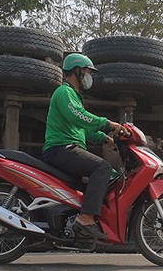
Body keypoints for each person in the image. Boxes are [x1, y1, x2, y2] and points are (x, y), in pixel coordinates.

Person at [42, 53, 123, 239]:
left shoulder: (74, 96)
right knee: (103, 168)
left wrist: (104, 138)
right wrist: (107, 124)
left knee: (112, 176)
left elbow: (81, 129)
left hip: (70, 148)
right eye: (87, 71)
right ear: (77, 71)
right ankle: (86, 218)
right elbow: (78, 116)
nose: (89, 76)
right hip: (60, 149)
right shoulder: (64, 92)